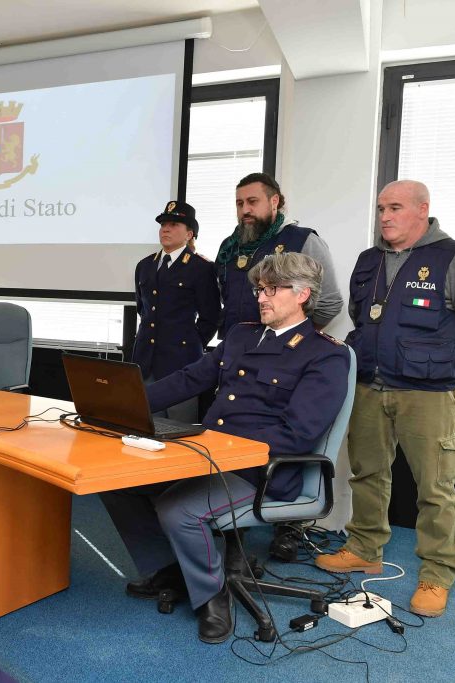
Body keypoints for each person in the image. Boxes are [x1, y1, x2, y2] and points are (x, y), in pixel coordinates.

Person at [101, 253, 350, 643]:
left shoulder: (325, 354)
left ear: (302, 294)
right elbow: (190, 378)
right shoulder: (241, 335)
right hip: (210, 455)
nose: (261, 298)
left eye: (271, 290)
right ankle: (172, 569)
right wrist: (124, 404)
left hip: (262, 470)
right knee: (116, 482)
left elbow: (299, 433)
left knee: (177, 510)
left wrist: (226, 449)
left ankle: (212, 596)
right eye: (259, 289)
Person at [315, 180, 455, 618]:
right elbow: (362, 317)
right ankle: (364, 548)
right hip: (370, 386)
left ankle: (438, 572)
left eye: (395, 208)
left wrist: (443, 364)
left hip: (428, 393)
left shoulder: (454, 257)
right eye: (381, 208)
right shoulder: (369, 260)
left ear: (422, 210)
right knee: (367, 473)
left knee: (435, 486)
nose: (385, 217)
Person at [215, 173, 343, 338]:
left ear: (274, 201)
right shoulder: (228, 247)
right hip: (232, 346)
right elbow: (223, 298)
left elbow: (329, 304)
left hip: (282, 349)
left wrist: (294, 337)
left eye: (252, 201)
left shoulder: (303, 240)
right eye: (240, 204)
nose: (245, 210)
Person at [132, 200, 220, 422]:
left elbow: (211, 317)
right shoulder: (145, 266)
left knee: (179, 427)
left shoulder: (201, 268)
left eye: (174, 224)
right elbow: (143, 309)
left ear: (189, 234)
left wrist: (190, 343)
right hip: (146, 361)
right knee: (145, 424)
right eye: (163, 225)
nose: (166, 229)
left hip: (182, 363)